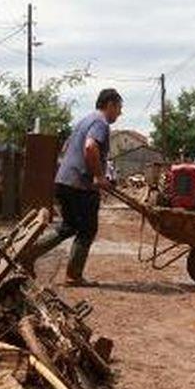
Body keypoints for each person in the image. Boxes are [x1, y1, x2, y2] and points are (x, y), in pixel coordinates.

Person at [27, 88, 123, 286]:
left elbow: (66, 148)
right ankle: (73, 276)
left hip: (64, 181)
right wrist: (98, 176)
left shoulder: (84, 121)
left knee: (68, 227)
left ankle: (28, 254)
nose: (119, 114)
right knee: (87, 230)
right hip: (80, 185)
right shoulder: (100, 123)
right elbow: (90, 147)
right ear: (110, 105)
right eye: (119, 108)